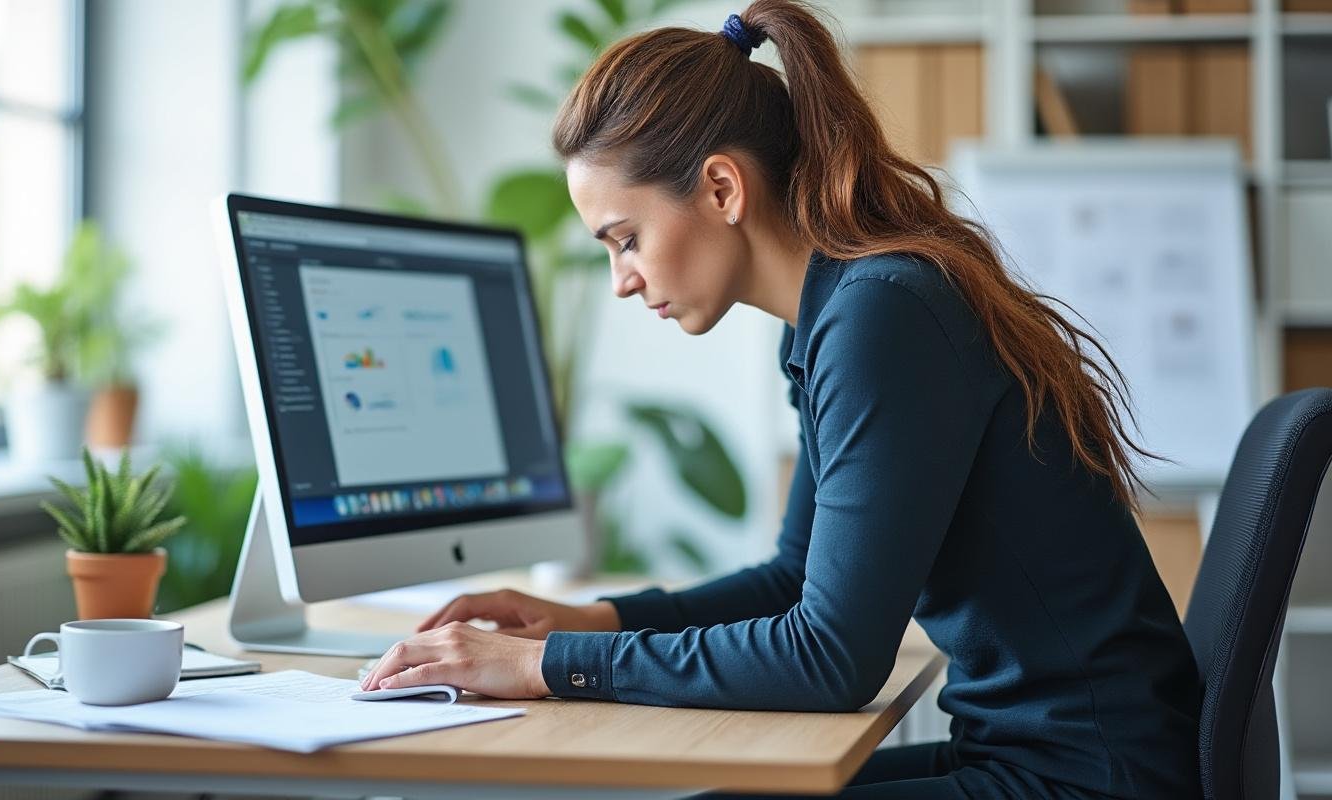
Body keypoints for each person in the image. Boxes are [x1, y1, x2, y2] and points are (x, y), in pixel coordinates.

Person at [360, 1, 1202, 797]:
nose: (621, 280)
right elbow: (796, 580)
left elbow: (830, 659)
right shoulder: (841, 314)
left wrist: (549, 665)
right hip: (1049, 753)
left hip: (1089, 775)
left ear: (723, 190)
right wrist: (587, 618)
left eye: (626, 239)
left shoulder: (882, 315)